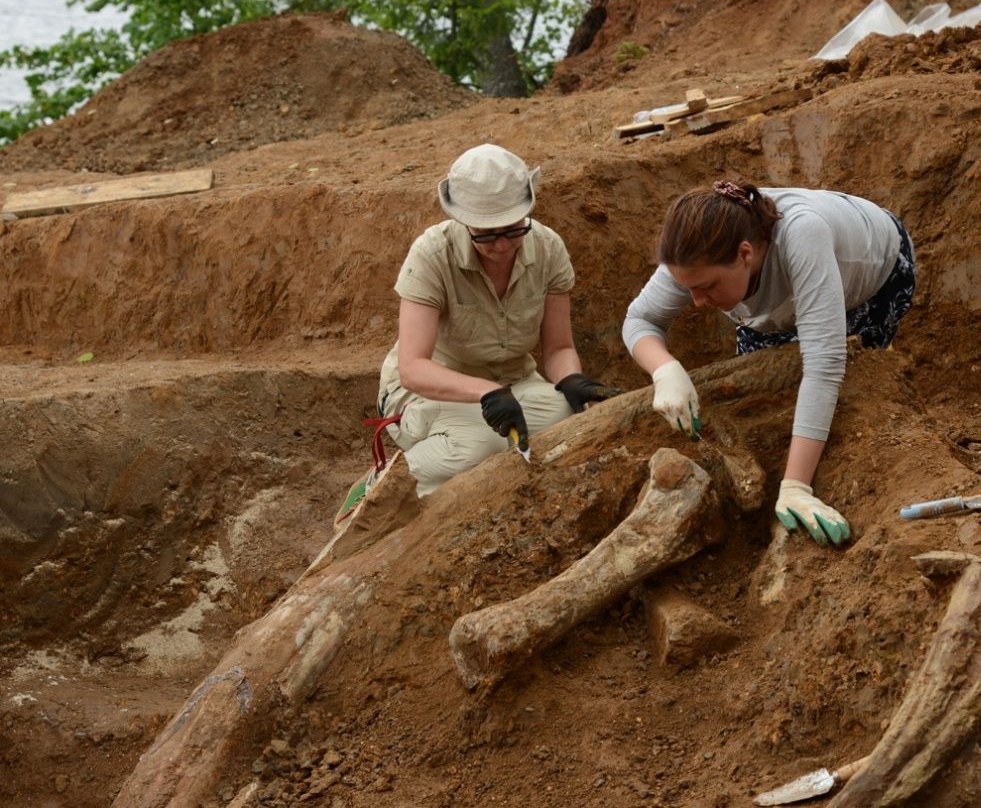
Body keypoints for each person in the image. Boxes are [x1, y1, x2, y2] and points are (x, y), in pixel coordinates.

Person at [622, 181, 916, 547]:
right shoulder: (691, 253)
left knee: (851, 384)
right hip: (772, 300)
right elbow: (640, 322)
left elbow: (824, 365)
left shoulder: (802, 235)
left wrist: (796, 485)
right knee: (769, 401)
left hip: (870, 279)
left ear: (745, 254)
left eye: (707, 287)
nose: (696, 301)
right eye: (688, 289)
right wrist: (664, 368)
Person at [367, 143, 619, 500]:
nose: (502, 245)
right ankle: (387, 486)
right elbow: (413, 368)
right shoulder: (432, 254)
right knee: (479, 444)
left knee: (570, 419)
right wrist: (485, 393)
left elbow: (559, 348)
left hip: (512, 382)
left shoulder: (548, 248)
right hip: (427, 391)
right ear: (461, 220)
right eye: (487, 233)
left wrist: (572, 380)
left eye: (513, 229)